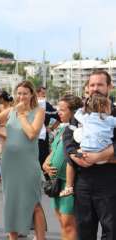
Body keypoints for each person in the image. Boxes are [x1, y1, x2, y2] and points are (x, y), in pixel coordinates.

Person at [63, 70, 116, 240]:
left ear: (109, 87)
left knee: (112, 230)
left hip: (110, 181)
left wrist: (99, 156)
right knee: (84, 230)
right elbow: (68, 139)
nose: (95, 88)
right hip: (83, 181)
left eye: (100, 84)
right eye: (92, 85)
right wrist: (73, 154)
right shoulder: (80, 114)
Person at [0, 80, 46, 240]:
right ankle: (13, 237)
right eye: (19, 93)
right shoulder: (10, 110)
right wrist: (4, 135)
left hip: (28, 163)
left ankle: (40, 238)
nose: (21, 96)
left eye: (25, 93)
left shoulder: (39, 111)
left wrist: (21, 115)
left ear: (32, 94)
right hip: (9, 162)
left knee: (34, 203)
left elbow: (32, 134)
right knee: (11, 202)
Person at [61, 93, 116, 197]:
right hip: (102, 150)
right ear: (104, 107)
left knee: (77, 132)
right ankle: (104, 159)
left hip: (86, 149)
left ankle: (69, 185)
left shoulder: (87, 117)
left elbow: (77, 114)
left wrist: (83, 106)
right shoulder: (109, 119)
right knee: (106, 149)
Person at [43, 94, 82, 240]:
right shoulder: (61, 129)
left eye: (63, 110)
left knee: (69, 224)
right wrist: (46, 163)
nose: (58, 112)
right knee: (61, 222)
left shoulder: (78, 130)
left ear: (73, 112)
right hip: (56, 183)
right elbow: (53, 151)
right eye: (58, 109)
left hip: (68, 183)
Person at [37, 86, 59, 180]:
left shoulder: (47, 105)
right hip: (29, 135)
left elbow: (59, 118)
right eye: (43, 93)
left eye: (45, 93)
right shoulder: (29, 105)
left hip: (42, 137)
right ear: (37, 93)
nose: (44, 95)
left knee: (43, 157)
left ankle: (48, 180)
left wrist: (50, 128)